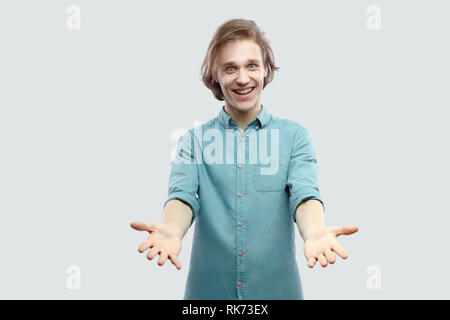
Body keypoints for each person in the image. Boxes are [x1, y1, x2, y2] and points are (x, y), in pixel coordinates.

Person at [131, 18, 358, 300]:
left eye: (251, 65)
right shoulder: (192, 141)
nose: (242, 78)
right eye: (230, 68)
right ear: (215, 75)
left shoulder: (295, 136)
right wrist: (172, 230)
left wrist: (314, 232)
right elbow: (182, 196)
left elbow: (305, 195)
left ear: (265, 70)